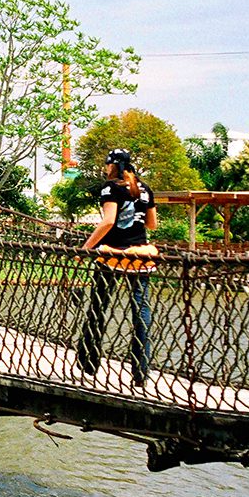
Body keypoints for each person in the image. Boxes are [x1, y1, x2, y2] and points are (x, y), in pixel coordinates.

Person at [76, 148, 158, 385]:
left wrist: (85, 249)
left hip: (112, 256)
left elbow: (108, 222)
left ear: (112, 165)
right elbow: (151, 225)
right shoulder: (145, 188)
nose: (105, 168)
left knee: (98, 307)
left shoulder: (110, 188)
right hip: (140, 258)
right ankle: (141, 372)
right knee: (142, 313)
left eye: (106, 164)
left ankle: (89, 362)